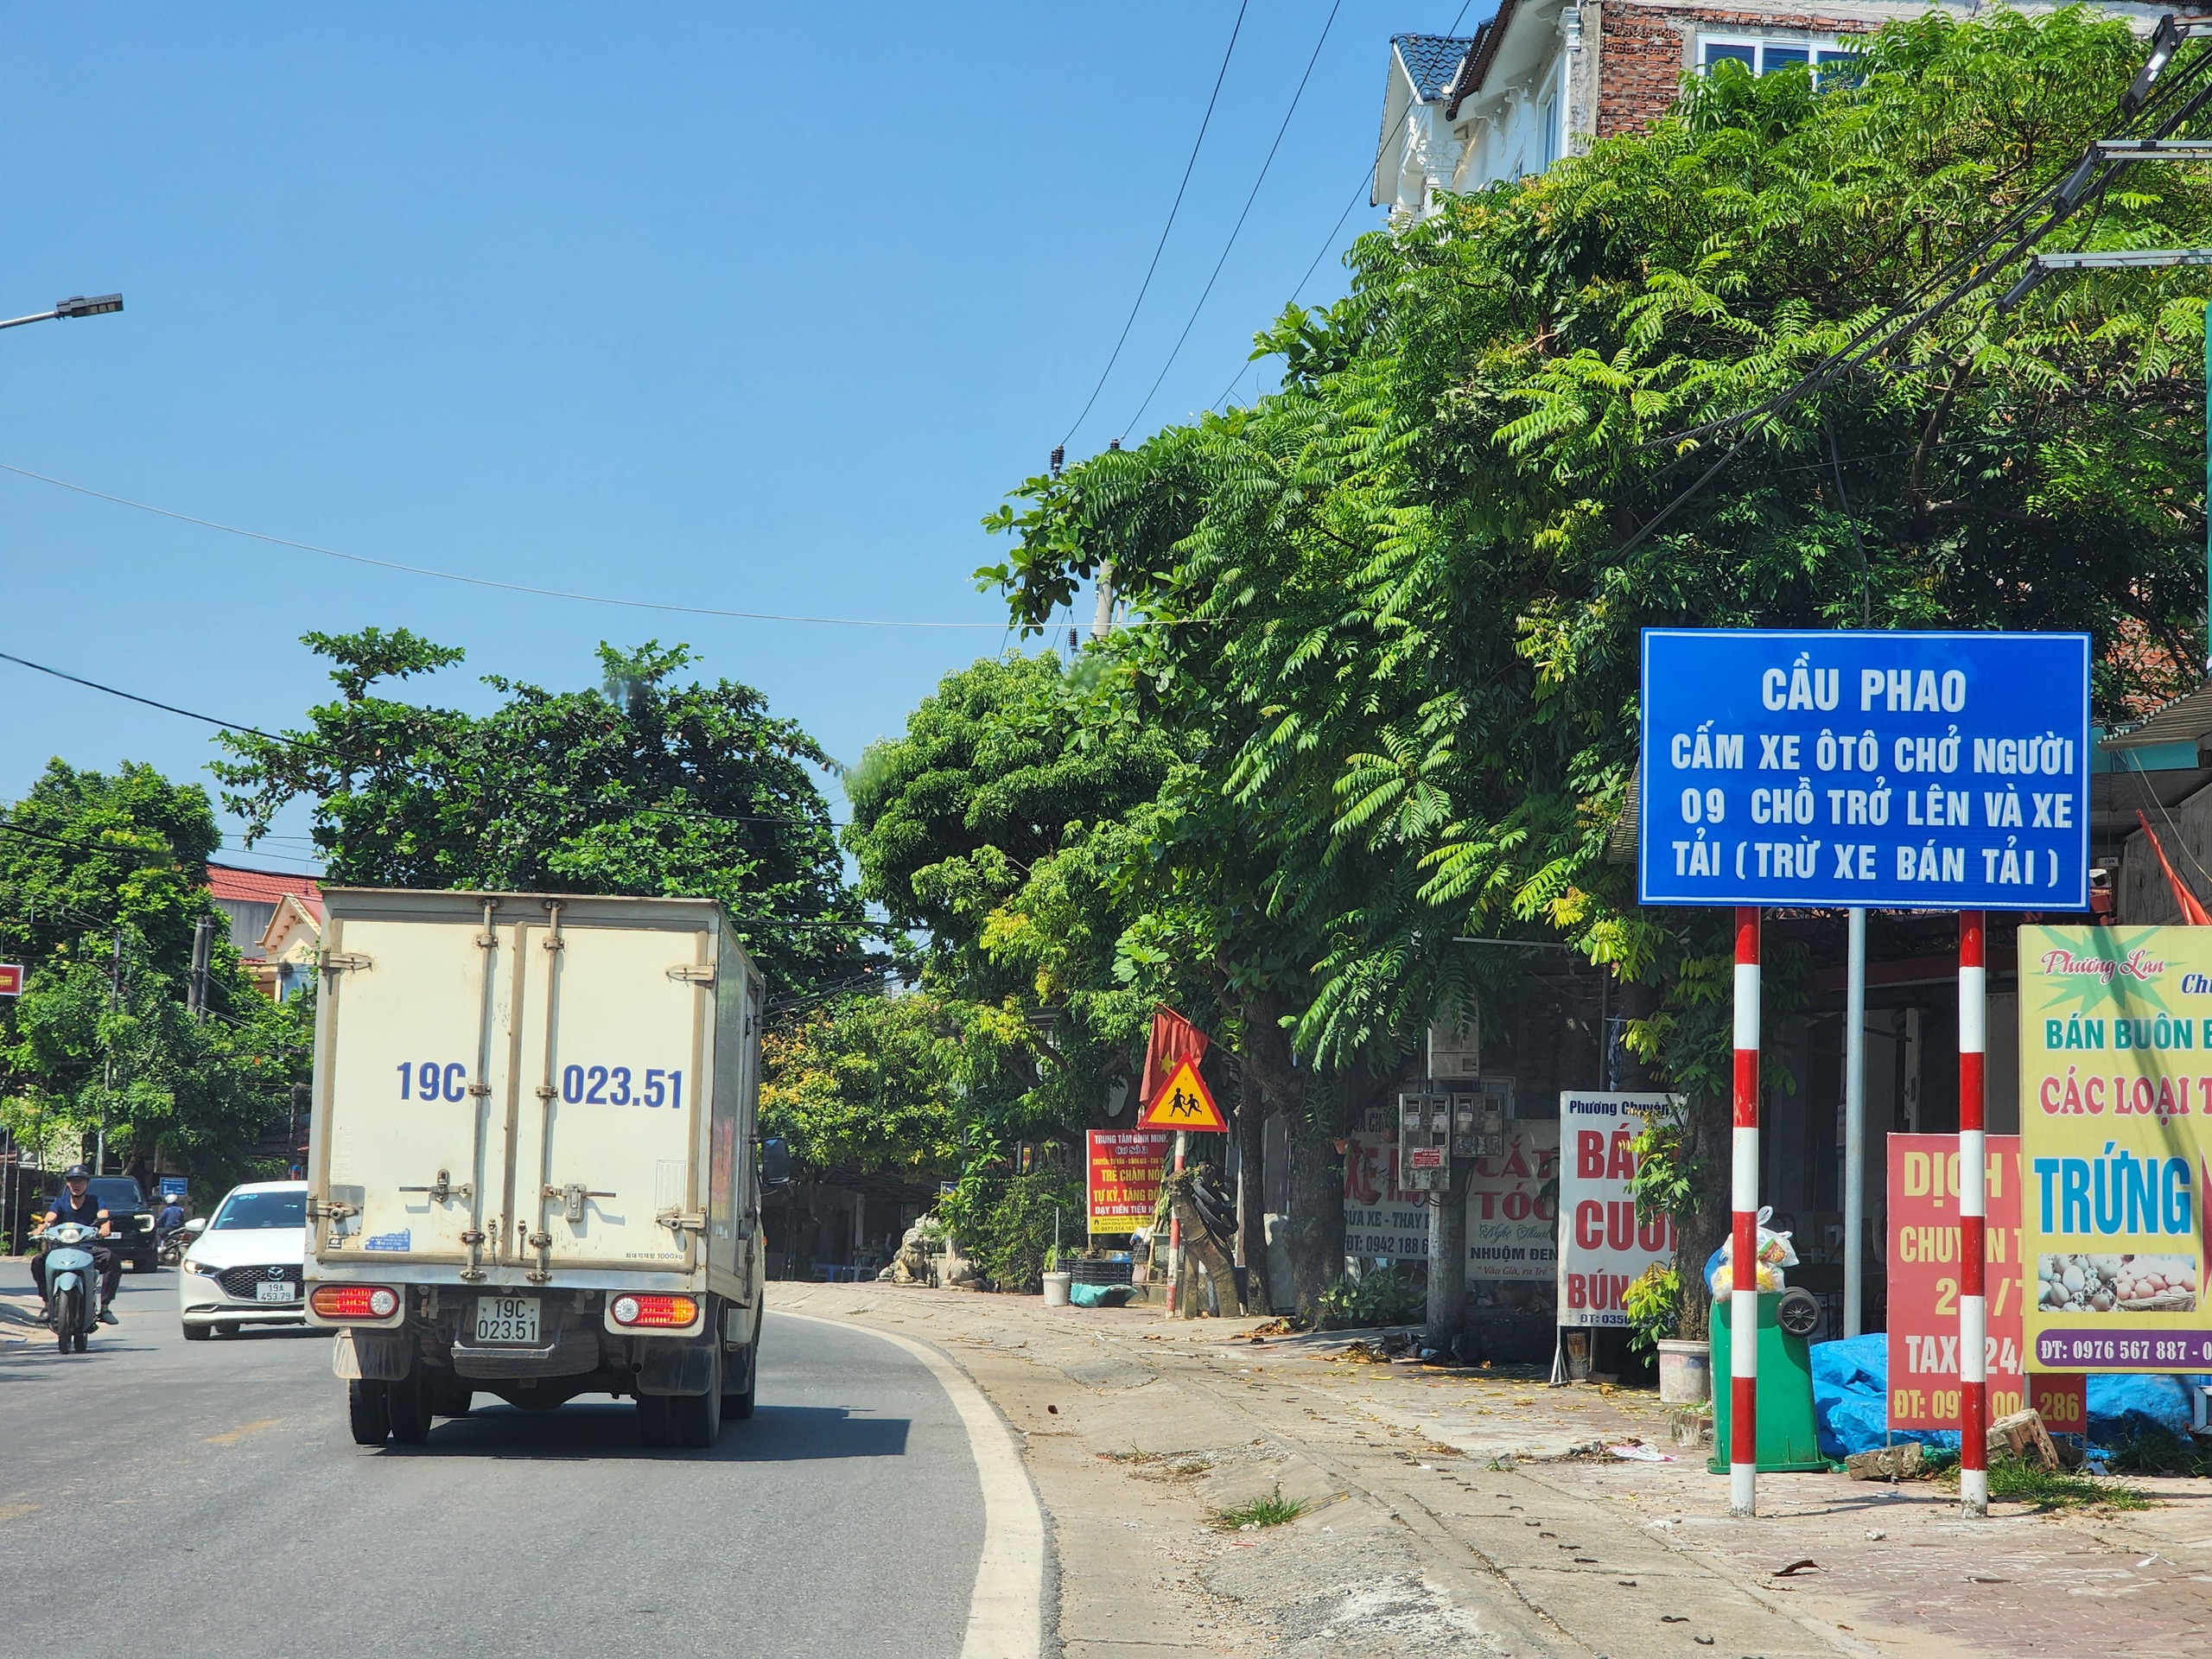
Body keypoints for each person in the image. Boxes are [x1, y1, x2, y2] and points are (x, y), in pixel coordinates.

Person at [33, 1165, 120, 1325]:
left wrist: (105, 1225)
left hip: (87, 1248)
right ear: (67, 1183)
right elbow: (50, 1217)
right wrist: (41, 1228)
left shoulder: (96, 1201)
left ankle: (105, 1308)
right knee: (39, 1261)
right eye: (73, 1181)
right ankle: (46, 1306)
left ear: (87, 1183)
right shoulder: (60, 1202)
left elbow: (103, 1215)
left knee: (111, 1260)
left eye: (80, 1181)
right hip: (61, 1249)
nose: (76, 1185)